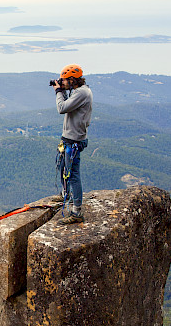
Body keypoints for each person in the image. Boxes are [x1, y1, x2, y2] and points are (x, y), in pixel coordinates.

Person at [52, 64, 93, 225]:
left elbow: (62, 108)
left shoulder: (81, 93)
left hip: (74, 140)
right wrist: (63, 90)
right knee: (63, 166)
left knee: (73, 174)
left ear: (72, 80)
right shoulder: (79, 91)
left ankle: (76, 212)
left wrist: (58, 92)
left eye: (64, 80)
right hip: (69, 138)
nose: (62, 82)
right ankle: (65, 195)